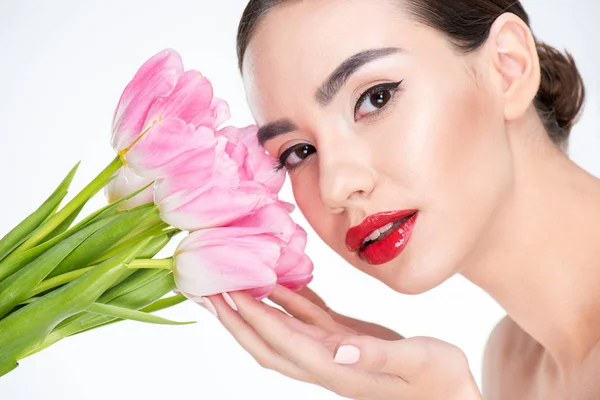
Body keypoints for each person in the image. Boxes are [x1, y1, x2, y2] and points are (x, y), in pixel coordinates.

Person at [200, 0, 598, 398]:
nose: (334, 188)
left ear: (507, 67)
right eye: (299, 152)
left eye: (376, 98)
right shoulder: (514, 362)